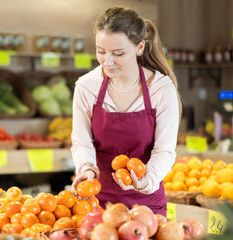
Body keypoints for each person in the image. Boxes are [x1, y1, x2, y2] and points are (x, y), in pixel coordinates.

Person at [70, 6, 181, 216]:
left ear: (139, 47)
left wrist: (148, 178)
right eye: (100, 51)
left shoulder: (161, 89)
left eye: (118, 53)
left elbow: (164, 151)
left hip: (148, 204)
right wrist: (85, 169)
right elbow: (82, 142)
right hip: (98, 202)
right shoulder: (87, 87)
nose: (107, 62)